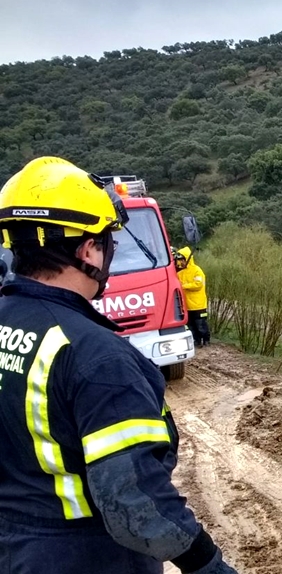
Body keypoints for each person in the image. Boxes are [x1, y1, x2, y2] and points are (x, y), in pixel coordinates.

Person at [0, 157, 236, 574]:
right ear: (89, 249)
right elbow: (134, 501)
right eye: (110, 240)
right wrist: (209, 567)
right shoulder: (97, 357)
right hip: (86, 557)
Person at [174, 246, 210, 348]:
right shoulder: (180, 272)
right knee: (191, 326)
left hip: (198, 304)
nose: (179, 262)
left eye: (181, 260)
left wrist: (184, 286)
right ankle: (196, 341)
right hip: (187, 305)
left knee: (201, 325)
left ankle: (206, 340)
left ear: (186, 259)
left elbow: (198, 284)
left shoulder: (197, 270)